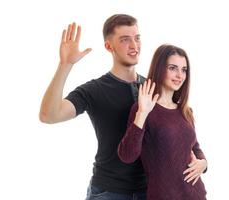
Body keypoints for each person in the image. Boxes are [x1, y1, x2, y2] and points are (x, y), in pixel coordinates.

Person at [39, 14, 148, 199]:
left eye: (137, 38)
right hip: (109, 192)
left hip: (148, 191)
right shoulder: (95, 90)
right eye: (125, 40)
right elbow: (49, 115)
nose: (134, 46)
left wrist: (199, 159)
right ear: (108, 46)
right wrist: (65, 65)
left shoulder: (151, 87)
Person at [118, 44, 208, 199]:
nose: (180, 75)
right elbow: (127, 155)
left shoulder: (185, 110)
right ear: (160, 68)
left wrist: (203, 163)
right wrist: (142, 113)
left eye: (184, 70)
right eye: (173, 68)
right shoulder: (143, 109)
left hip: (196, 194)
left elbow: (194, 147)